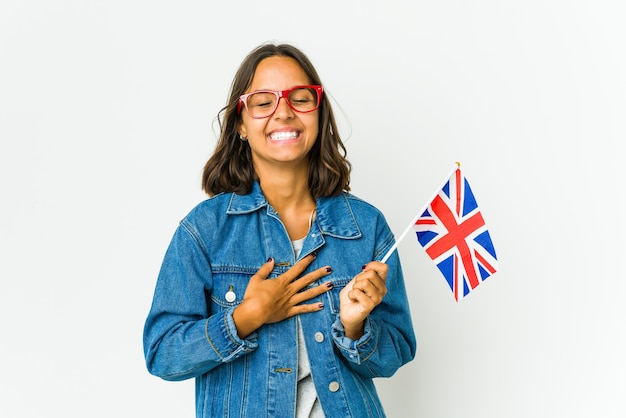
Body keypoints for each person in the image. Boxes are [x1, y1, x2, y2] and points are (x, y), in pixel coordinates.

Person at [143, 42, 416, 418]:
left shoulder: (365, 227)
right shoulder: (204, 231)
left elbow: (395, 353)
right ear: (240, 122)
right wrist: (246, 316)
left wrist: (355, 327)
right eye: (262, 101)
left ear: (318, 114)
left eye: (300, 98)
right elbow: (162, 354)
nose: (283, 112)